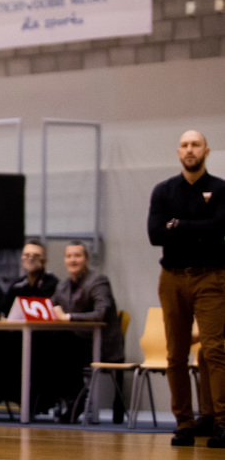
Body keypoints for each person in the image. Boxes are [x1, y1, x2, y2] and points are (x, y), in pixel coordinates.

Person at [147, 129, 225, 447]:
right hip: (173, 277)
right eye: (184, 145)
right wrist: (200, 230)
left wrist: (178, 225)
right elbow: (155, 234)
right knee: (176, 354)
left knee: (215, 349)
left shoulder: (220, 189)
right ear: (178, 152)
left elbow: (221, 227)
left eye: (195, 144)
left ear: (206, 151)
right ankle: (184, 424)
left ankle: (221, 422)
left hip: (211, 277)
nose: (190, 149)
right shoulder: (164, 190)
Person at [51, 240, 123, 420]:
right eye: (69, 256)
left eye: (77, 255)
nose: (72, 260)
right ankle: (66, 399)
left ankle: (75, 400)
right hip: (75, 344)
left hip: (100, 345)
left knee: (63, 347)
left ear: (87, 259)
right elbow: (50, 309)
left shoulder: (98, 282)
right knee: (47, 345)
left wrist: (69, 317)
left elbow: (100, 313)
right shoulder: (62, 286)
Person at [3, 242, 59, 314]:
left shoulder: (54, 285)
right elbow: (4, 312)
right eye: (27, 255)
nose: (30, 259)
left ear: (44, 260)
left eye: (36, 256)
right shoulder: (16, 286)